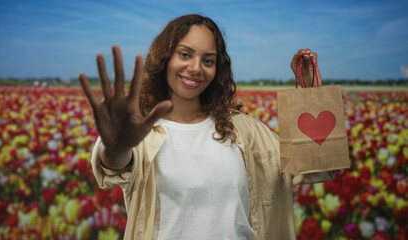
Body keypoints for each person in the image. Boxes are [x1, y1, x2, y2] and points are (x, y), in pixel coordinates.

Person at [79, 14, 334, 240]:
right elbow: (114, 165)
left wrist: (310, 98)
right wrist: (116, 146)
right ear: (164, 58)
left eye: (208, 60)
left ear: (217, 69)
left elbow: (309, 163)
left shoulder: (241, 130)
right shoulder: (141, 131)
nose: (195, 68)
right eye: (185, 54)